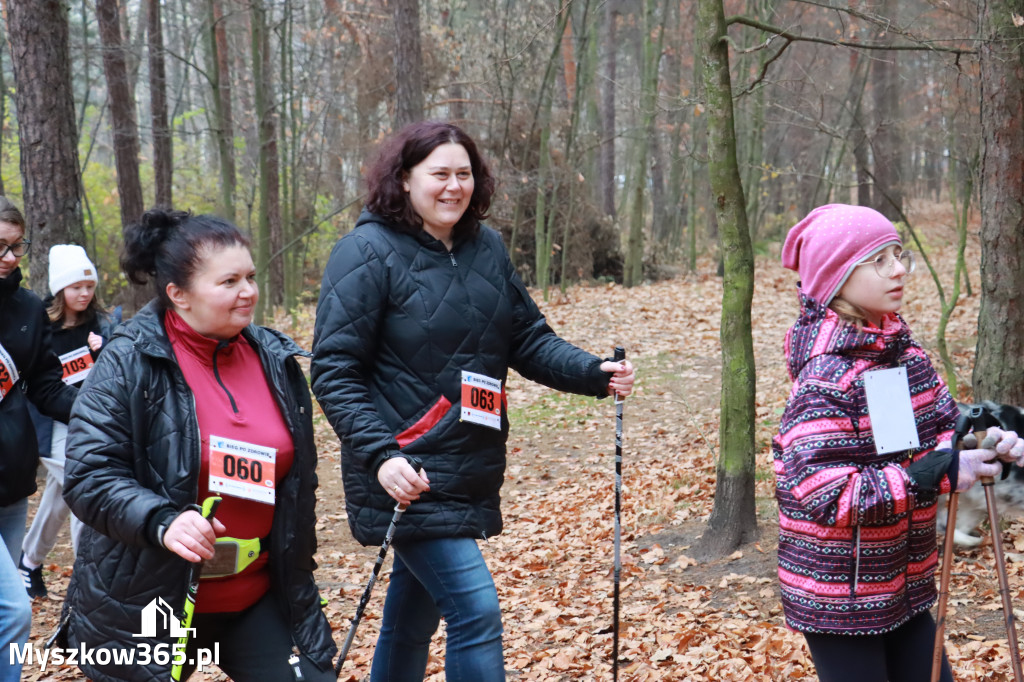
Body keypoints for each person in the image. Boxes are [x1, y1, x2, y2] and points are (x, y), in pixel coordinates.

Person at [311, 120, 635, 681]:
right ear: (405, 179)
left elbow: (527, 337)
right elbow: (335, 371)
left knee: (412, 620)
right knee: (475, 610)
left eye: (464, 173)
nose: (453, 186)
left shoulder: (486, 248)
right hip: (406, 471)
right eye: (439, 173)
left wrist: (593, 372)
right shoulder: (365, 252)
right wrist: (381, 456)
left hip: (470, 465)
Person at [60, 209, 336, 681]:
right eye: (229, 281)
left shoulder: (275, 358)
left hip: (258, 596)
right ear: (178, 295)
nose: (248, 292)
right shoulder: (129, 361)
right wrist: (162, 519)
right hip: (147, 603)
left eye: (250, 277)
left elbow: (295, 483)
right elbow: (90, 475)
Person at [773, 203, 1024, 682]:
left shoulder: (903, 356)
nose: (898, 269)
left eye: (898, 254)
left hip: (902, 584)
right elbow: (830, 493)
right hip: (839, 600)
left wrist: (992, 438)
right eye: (878, 260)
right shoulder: (826, 379)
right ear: (836, 276)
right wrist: (940, 472)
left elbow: (944, 425)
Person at [0, 197, 77, 681]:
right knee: (12, 612)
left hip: (10, 486)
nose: (10, 258)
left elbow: (47, 384)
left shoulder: (28, 307)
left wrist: (101, 412)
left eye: (16, 246)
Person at [18, 244, 112, 598]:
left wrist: (103, 349)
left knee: (60, 496)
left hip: (87, 424)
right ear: (60, 289)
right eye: (76, 287)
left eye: (89, 286)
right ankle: (87, 579)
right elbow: (39, 385)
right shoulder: (41, 324)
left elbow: (111, 377)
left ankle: (28, 562)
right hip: (49, 426)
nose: (85, 294)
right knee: (83, 490)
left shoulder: (97, 326)